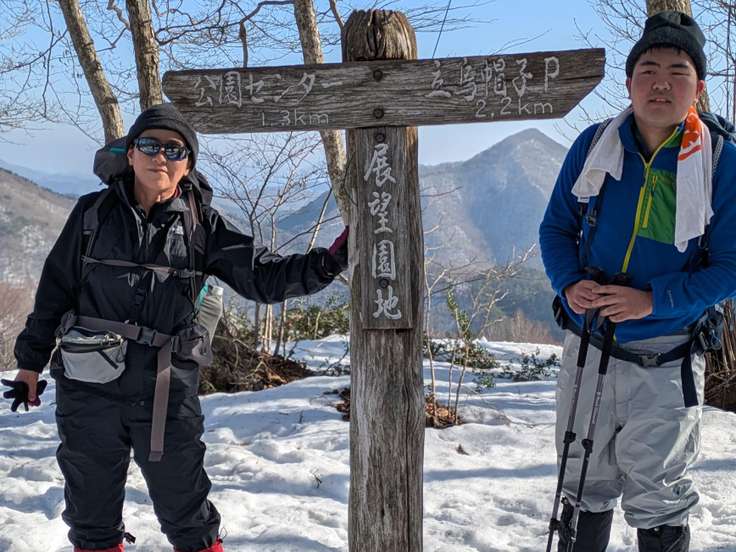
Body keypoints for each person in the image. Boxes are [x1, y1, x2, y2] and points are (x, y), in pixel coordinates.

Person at [9, 103, 349, 552]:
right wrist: (30, 363)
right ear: (131, 153)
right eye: (150, 145)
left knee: (187, 511)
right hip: (88, 387)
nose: (160, 157)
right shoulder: (92, 214)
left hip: (165, 389)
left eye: (174, 149)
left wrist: (329, 263)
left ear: (187, 164)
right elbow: (55, 290)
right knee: (90, 514)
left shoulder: (201, 224)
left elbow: (261, 277)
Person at [539, 11, 736, 552]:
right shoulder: (595, 145)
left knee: (661, 498)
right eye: (648, 70)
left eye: (678, 71)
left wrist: (653, 300)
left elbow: (730, 268)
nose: (660, 83)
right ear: (629, 83)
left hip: (666, 356)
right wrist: (568, 283)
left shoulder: (720, 162)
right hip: (588, 345)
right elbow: (557, 228)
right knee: (581, 486)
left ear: (698, 87)